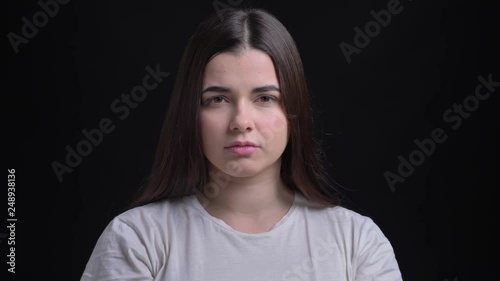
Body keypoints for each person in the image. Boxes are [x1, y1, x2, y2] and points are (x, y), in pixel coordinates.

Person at [81, 7, 403, 281]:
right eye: (218, 99)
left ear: (294, 112)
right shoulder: (137, 240)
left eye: (265, 98)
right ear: (190, 113)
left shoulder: (357, 243)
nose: (241, 121)